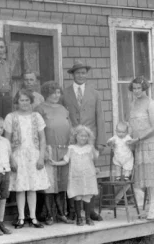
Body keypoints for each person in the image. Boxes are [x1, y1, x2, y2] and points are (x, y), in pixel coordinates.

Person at [61, 60, 106, 221]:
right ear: (72, 75)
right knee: (72, 174)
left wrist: (100, 141)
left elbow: (100, 117)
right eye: (78, 73)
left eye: (83, 73)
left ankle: (90, 210)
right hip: (72, 139)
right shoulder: (65, 93)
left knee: (89, 174)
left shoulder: (94, 93)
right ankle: (73, 210)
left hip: (89, 139)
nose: (81, 75)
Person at [4, 89, 49, 229]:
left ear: (31, 102)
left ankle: (33, 217)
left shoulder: (36, 116)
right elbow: (7, 140)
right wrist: (11, 159)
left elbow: (42, 139)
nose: (24, 103)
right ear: (17, 102)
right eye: (21, 100)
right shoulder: (11, 117)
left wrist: (41, 156)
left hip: (34, 154)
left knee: (32, 187)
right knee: (20, 188)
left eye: (27, 100)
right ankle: (22, 217)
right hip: (18, 155)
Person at [126, 76, 154, 221]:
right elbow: (132, 125)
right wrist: (127, 139)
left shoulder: (151, 104)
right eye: (134, 88)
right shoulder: (133, 104)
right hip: (139, 145)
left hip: (151, 144)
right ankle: (152, 207)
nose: (137, 91)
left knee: (153, 177)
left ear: (145, 88)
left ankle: (152, 208)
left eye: (139, 88)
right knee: (144, 177)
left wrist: (138, 138)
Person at [36, 81, 73, 225]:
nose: (56, 95)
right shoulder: (40, 109)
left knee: (62, 183)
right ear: (46, 93)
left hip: (64, 149)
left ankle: (61, 213)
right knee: (49, 184)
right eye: (53, 93)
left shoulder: (63, 109)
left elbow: (69, 127)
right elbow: (37, 132)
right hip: (49, 149)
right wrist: (42, 151)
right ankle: (48, 215)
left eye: (58, 92)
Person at [50, 125, 99, 226]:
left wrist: (95, 168)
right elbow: (65, 161)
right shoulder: (71, 148)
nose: (83, 138)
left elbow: (94, 159)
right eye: (81, 136)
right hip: (76, 177)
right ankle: (79, 218)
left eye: (86, 136)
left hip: (88, 176)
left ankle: (88, 218)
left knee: (87, 196)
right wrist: (55, 163)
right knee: (77, 196)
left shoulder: (90, 148)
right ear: (76, 136)